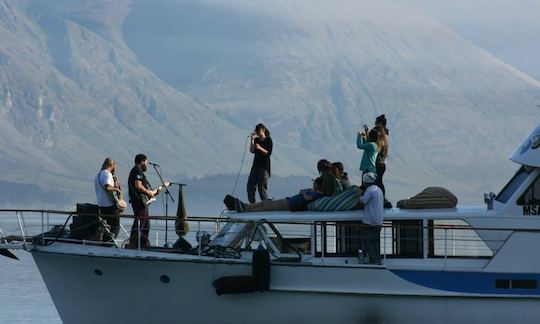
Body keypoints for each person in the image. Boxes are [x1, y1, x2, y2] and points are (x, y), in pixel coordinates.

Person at [226, 159, 336, 212]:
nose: (313, 185)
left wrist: (305, 192)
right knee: (266, 203)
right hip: (287, 201)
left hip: (288, 205)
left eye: (314, 184)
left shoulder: (317, 194)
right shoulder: (314, 192)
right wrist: (306, 191)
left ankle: (246, 210)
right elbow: (303, 193)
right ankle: (244, 206)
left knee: (266, 208)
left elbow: (307, 197)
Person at [127, 154, 165, 248]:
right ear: (142, 161)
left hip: (142, 202)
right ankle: (133, 244)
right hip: (139, 202)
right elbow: (138, 185)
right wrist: (148, 193)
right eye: (146, 162)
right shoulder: (137, 170)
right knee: (140, 223)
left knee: (145, 224)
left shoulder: (137, 171)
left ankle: (142, 245)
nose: (147, 165)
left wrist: (155, 191)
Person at [94, 157, 122, 241]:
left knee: (107, 227)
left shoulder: (98, 175)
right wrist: (118, 190)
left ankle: (105, 243)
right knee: (115, 227)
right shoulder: (107, 174)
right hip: (109, 206)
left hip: (101, 205)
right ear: (112, 165)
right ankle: (109, 244)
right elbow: (108, 188)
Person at [359, 172, 384, 264]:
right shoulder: (378, 190)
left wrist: (359, 194)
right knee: (375, 241)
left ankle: (373, 259)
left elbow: (363, 201)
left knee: (367, 241)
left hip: (370, 221)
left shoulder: (370, 190)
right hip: (378, 221)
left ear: (365, 182)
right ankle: (378, 259)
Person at [247, 123, 273, 203]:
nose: (257, 132)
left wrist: (260, 148)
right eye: (256, 131)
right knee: (250, 185)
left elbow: (268, 153)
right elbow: (252, 150)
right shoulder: (256, 140)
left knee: (261, 187)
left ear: (263, 130)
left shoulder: (268, 140)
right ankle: (252, 203)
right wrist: (252, 140)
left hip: (264, 167)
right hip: (255, 166)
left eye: (258, 130)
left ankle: (265, 203)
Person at [374, 114, 389, 197]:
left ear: (380, 123)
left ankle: (380, 198)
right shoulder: (386, 134)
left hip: (378, 161)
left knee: (377, 181)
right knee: (379, 181)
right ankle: (381, 198)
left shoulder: (380, 135)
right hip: (383, 161)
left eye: (376, 122)